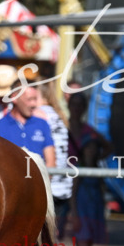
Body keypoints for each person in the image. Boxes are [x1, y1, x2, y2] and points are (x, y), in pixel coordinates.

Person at [66, 91, 111, 246]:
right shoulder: (62, 128)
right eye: (73, 104)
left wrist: (96, 158)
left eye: (80, 104)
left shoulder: (89, 132)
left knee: (86, 245)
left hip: (91, 202)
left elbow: (108, 146)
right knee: (82, 244)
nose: (76, 108)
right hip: (70, 190)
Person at [35, 80, 72, 237]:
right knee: (54, 240)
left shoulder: (40, 114)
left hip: (50, 184)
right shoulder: (58, 115)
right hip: (64, 184)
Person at [0, 85, 56, 168]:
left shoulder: (42, 124)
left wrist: (44, 180)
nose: (34, 104)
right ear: (15, 98)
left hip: (38, 180)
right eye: (30, 99)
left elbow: (51, 163)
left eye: (35, 99)